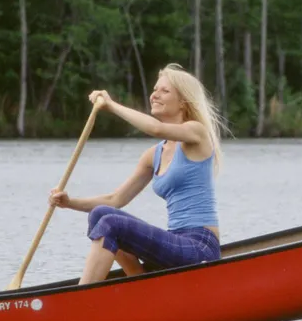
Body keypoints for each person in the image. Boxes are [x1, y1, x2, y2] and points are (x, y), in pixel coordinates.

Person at [48, 64, 226, 285]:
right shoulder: (153, 155)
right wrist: (68, 202)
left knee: (112, 224)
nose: (155, 95)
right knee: (100, 214)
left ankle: (79, 299)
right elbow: (115, 200)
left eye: (164, 91)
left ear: (183, 102)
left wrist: (111, 105)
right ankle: (140, 282)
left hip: (200, 248)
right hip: (176, 241)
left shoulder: (196, 132)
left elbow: (156, 129)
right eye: (154, 89)